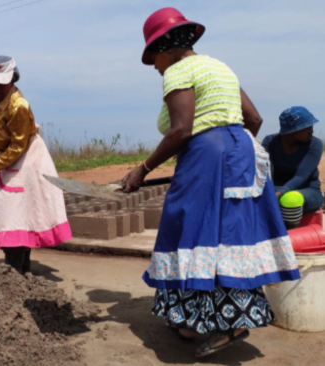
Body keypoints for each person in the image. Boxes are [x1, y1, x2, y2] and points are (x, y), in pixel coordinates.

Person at [121, 8, 300, 357]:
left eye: (153, 57)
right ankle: (200, 321)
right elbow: (254, 118)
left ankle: (215, 322)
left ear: (167, 47)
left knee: (188, 232)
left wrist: (142, 169)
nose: (155, 66)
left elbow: (181, 130)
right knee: (228, 239)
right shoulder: (220, 66)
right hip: (242, 152)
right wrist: (229, 154)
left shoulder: (178, 71)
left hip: (208, 154)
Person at [0, 56, 72, 274]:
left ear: (12, 79)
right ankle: (22, 269)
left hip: (26, 157)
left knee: (13, 215)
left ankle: (16, 273)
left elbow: (18, 146)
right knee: (17, 213)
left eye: (0, 83)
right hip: (6, 155)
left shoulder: (19, 106)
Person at [262, 107, 323, 228]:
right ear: (292, 130)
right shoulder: (270, 142)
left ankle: (287, 239)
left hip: (307, 190)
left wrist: (278, 194)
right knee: (258, 195)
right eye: (306, 127)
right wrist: (268, 193)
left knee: (290, 199)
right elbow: (267, 173)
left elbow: (301, 176)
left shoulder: (315, 144)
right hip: (277, 189)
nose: (311, 131)